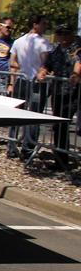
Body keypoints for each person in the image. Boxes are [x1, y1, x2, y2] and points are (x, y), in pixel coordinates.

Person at [6, 15, 53, 160]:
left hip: (21, 79)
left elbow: (12, 62)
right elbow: (46, 64)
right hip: (36, 83)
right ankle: (27, 149)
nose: (45, 26)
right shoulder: (44, 42)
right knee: (33, 116)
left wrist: (12, 82)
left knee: (17, 115)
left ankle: (12, 146)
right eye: (43, 23)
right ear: (35, 24)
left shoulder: (18, 41)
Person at [46, 25, 80, 168]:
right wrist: (43, 70)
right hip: (59, 91)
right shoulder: (56, 49)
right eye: (60, 34)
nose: (62, 38)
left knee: (73, 127)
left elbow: (79, 62)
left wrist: (76, 74)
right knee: (59, 125)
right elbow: (48, 64)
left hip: (75, 92)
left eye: (65, 34)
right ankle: (61, 160)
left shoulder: (78, 46)